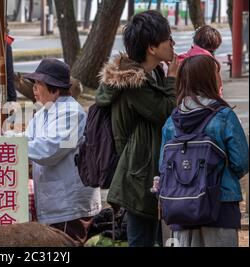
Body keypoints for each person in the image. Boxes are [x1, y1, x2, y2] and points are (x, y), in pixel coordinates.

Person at [0, 59, 102, 245]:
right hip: (54, 201)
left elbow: (48, 150)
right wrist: (3, 134)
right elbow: (29, 137)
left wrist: (7, 141)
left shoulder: (71, 113)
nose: (34, 89)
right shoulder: (44, 112)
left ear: (55, 89)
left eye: (39, 84)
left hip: (69, 205)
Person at [96, 10, 178, 247]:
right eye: (168, 38)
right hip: (137, 175)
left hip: (147, 170)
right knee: (141, 240)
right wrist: (173, 78)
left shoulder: (153, 73)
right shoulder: (134, 81)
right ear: (152, 48)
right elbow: (166, 112)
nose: (172, 44)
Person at [159, 55, 249, 247]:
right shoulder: (224, 117)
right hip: (221, 205)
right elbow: (241, 162)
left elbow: (163, 166)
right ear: (209, 78)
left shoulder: (171, 122)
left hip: (181, 206)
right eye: (216, 73)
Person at [178, 25, 223, 95]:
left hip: (184, 101)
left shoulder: (183, 58)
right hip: (206, 101)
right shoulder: (211, 63)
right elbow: (217, 89)